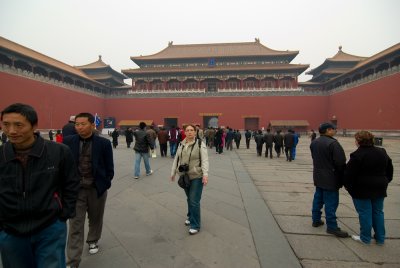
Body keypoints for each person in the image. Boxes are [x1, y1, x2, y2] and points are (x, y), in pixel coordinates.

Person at [0, 103, 79, 268]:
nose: (11, 131)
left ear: (34, 125)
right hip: (10, 229)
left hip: (49, 227)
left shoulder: (59, 152)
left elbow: (71, 184)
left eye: (18, 125)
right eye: (6, 125)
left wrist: (64, 214)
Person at [63, 112, 114, 268]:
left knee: (95, 218)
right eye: (77, 124)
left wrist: (104, 182)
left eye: (83, 124)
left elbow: (109, 168)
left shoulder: (103, 144)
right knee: (75, 224)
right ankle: (73, 261)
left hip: (96, 188)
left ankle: (93, 240)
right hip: (76, 190)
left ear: (92, 125)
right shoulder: (68, 141)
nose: (79, 127)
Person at [344, 131, 393, 244]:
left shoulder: (357, 155)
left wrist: (349, 187)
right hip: (380, 186)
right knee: (378, 212)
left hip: (361, 188)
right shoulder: (382, 151)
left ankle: (365, 238)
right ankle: (380, 238)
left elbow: (349, 174)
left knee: (365, 212)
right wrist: (385, 180)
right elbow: (389, 169)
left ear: (358, 141)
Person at [310, 122, 348, 238]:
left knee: (318, 199)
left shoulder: (314, 142)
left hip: (318, 175)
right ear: (327, 130)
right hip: (331, 177)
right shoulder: (333, 143)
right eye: (333, 129)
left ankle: (316, 220)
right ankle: (332, 226)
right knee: (331, 203)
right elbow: (340, 162)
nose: (335, 131)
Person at [170, 124, 209, 235]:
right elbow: (176, 159)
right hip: (184, 176)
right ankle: (190, 216)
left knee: (194, 200)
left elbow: (205, 160)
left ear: (195, 132)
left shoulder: (201, 144)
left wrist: (205, 175)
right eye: (187, 130)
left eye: (192, 130)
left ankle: (195, 225)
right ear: (184, 132)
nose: (190, 132)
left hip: (196, 175)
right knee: (189, 198)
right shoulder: (181, 144)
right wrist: (173, 172)